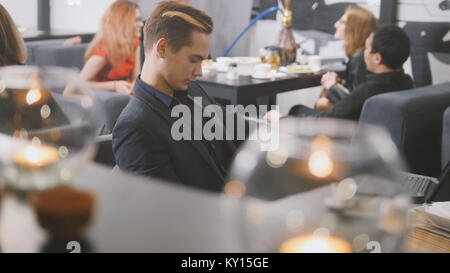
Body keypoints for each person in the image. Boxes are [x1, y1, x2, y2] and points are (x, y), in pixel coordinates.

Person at [112, 1, 243, 192]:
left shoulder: (194, 91)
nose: (199, 72)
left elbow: (236, 125)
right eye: (193, 60)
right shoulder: (135, 127)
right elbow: (170, 209)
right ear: (162, 48)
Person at [285, 24, 415, 121]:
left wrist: (281, 120)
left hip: (349, 139)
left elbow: (327, 120)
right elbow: (354, 104)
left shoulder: (369, 89)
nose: (364, 52)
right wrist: (334, 88)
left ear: (377, 58)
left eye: (367, 49)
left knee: (296, 110)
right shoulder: (408, 84)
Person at [64, 1, 143, 96]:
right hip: (107, 98)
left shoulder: (135, 42)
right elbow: (72, 88)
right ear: (123, 23)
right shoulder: (104, 51)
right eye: (136, 20)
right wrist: (114, 85)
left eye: (140, 20)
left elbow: (135, 78)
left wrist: (132, 90)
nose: (141, 24)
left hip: (125, 97)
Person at [314, 6, 377, 112]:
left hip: (354, 121)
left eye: (342, 22)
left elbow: (356, 104)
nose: (335, 24)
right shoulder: (361, 55)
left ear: (355, 29)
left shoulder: (359, 58)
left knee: (299, 109)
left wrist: (333, 86)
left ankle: (275, 127)